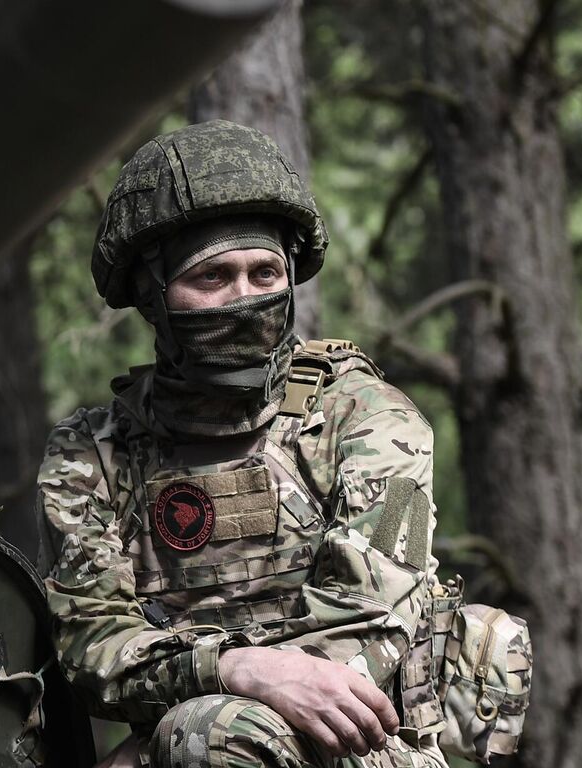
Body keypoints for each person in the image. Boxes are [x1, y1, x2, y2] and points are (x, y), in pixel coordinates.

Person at [40, 120, 447, 768]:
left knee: (207, 735)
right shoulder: (93, 454)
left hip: (362, 744)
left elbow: (376, 615)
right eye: (212, 277)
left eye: (263, 273)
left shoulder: (372, 420)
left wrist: (224, 692)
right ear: (152, 295)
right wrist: (237, 669)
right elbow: (93, 646)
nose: (244, 299)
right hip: (191, 740)